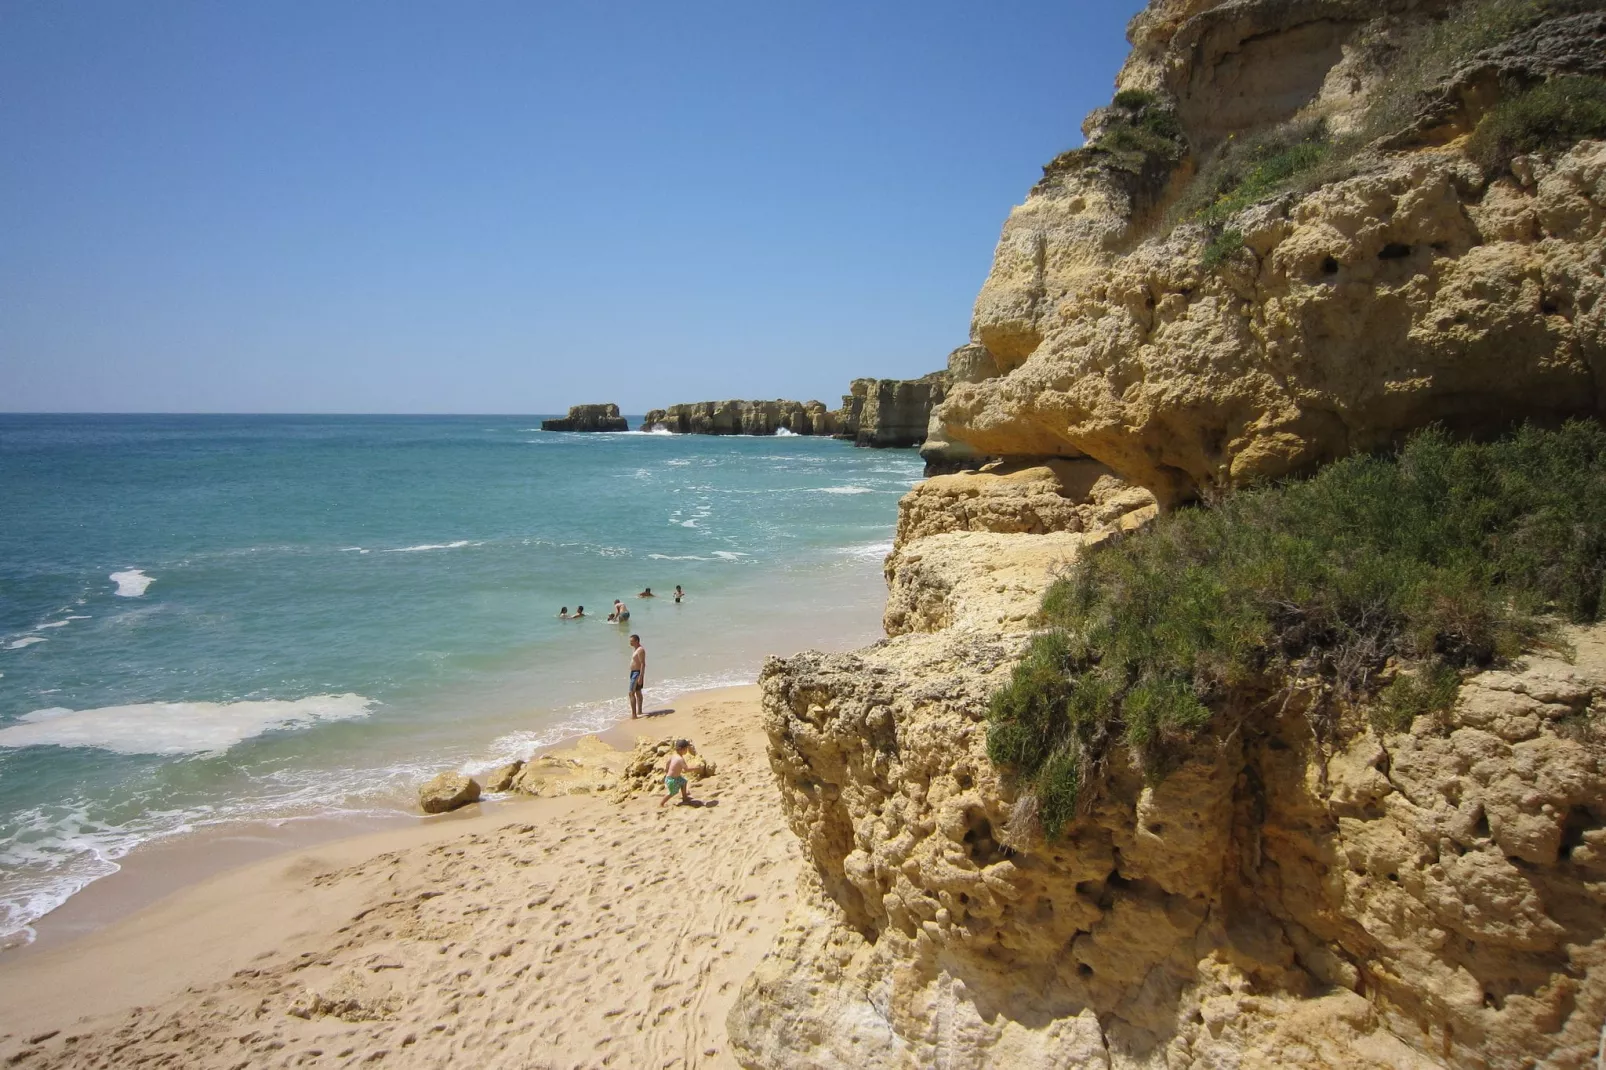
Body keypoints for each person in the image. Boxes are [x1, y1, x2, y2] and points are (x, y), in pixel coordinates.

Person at [660, 738, 695, 807]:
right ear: (682, 749)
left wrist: (666, 769)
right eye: (686, 749)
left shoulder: (674, 756)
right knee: (673, 792)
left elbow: (668, 762)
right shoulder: (680, 759)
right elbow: (686, 769)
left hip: (674, 777)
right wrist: (696, 768)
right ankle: (662, 803)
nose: (687, 751)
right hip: (671, 780)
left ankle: (685, 798)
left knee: (683, 782)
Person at [628, 633, 646, 719]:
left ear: (637, 641)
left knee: (631, 693)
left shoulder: (640, 650)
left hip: (637, 673)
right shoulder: (635, 649)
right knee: (638, 692)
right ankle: (639, 711)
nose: (630, 643)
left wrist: (641, 676)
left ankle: (634, 715)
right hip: (633, 672)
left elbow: (643, 664)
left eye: (632, 641)